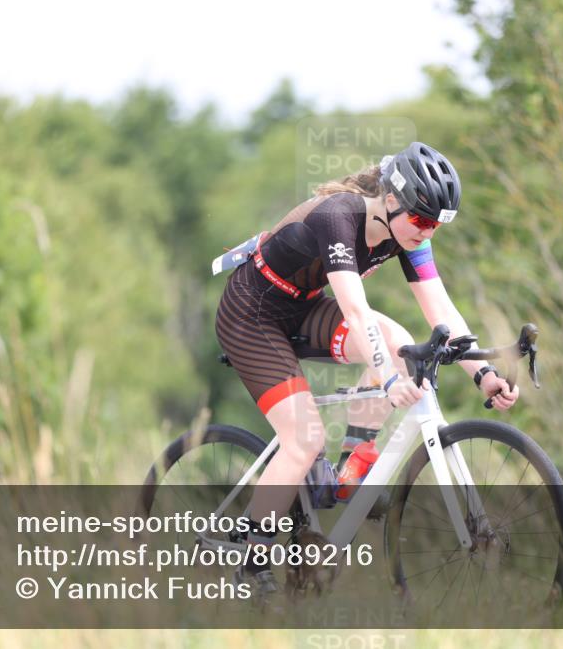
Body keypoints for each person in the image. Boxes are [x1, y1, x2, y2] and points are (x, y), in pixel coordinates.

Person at [213, 141, 519, 599]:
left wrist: (482, 374)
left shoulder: (406, 233)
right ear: (392, 199)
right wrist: (388, 378)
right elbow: (355, 310)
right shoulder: (338, 216)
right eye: (420, 219)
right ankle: (249, 556)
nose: (426, 231)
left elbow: (440, 308)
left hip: (302, 307)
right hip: (251, 313)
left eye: (436, 224)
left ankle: (353, 467)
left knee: (400, 342)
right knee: (304, 439)